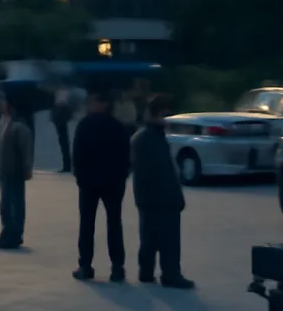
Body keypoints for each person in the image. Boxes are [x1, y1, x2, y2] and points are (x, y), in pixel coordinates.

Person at [130, 94, 195, 289]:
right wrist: (176, 197)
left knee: (149, 237)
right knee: (168, 238)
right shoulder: (152, 139)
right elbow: (165, 172)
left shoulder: (142, 137)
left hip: (146, 197)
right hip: (162, 198)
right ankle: (170, 273)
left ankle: (146, 272)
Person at [71, 90, 131, 282]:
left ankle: (86, 265)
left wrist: (80, 178)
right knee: (114, 224)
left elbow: (77, 155)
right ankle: (117, 268)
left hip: (89, 183)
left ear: (101, 103)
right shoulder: (118, 127)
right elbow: (126, 156)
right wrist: (121, 177)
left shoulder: (85, 125)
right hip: (113, 183)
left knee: (87, 224)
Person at [0, 86, 35, 250]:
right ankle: (7, 232)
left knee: (14, 204)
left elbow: (26, 150)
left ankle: (14, 234)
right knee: (5, 205)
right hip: (4, 171)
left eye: (4, 102)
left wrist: (27, 168)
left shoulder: (19, 126)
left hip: (14, 171)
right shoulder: (4, 121)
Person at [51, 84, 75, 173]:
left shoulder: (61, 90)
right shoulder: (65, 89)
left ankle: (67, 165)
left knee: (63, 140)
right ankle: (67, 164)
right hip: (61, 112)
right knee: (64, 140)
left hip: (60, 112)